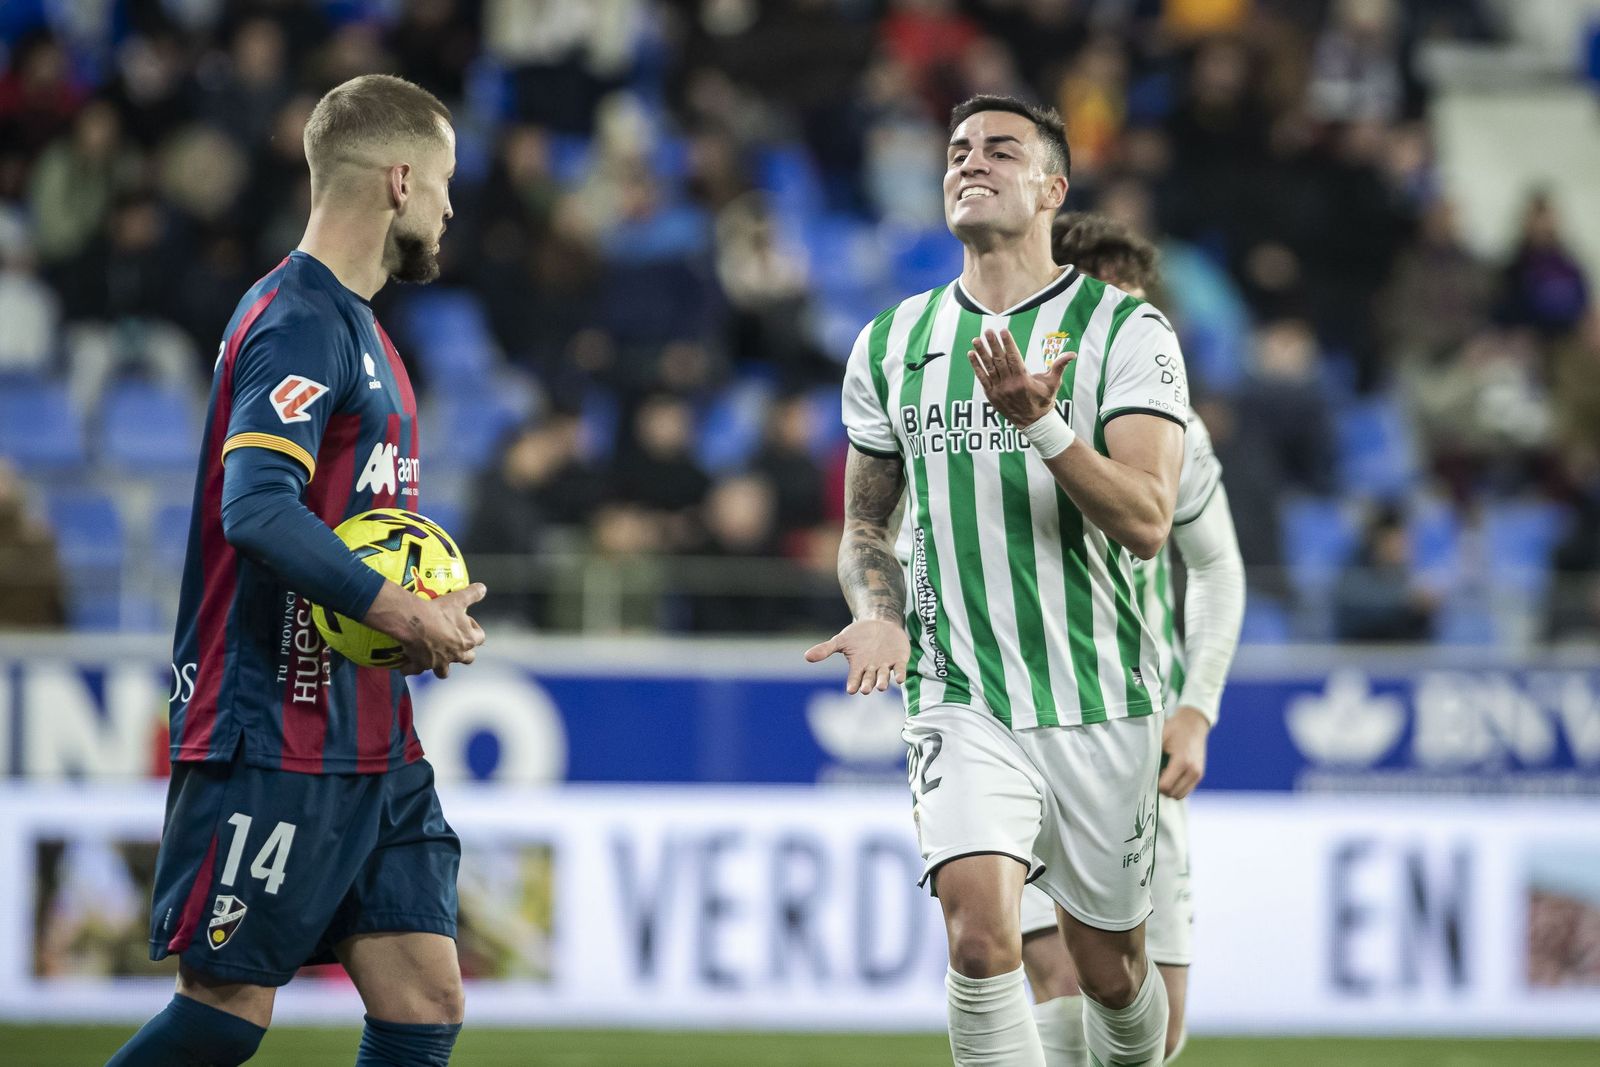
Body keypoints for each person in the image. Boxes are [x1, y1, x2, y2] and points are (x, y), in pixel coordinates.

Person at [106, 74, 486, 1067]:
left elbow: (350, 526)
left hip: (369, 732)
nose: (452, 204)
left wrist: (419, 609)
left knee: (424, 991)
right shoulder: (297, 318)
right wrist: (397, 606)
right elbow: (257, 509)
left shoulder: (364, 330)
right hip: (274, 723)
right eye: (446, 180)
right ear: (400, 180)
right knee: (224, 1004)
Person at [808, 95, 1189, 1067]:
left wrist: (1041, 422)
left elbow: (1148, 521)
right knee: (980, 936)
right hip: (960, 687)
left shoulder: (1126, 333)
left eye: (1000, 150)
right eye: (957, 150)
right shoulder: (890, 343)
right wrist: (876, 611)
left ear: (1052, 190)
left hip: (1101, 694)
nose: (969, 162)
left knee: (1110, 972)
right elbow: (863, 524)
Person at [1014, 212, 1247, 1064]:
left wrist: (1198, 708)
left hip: (1140, 729)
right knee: (1066, 984)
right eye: (1114, 305)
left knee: (1157, 1023)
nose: (1137, 331)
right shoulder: (981, 420)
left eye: (1143, 306)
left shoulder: (1174, 428)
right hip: (1026, 727)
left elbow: (1217, 569)